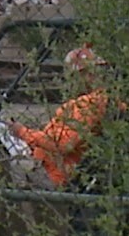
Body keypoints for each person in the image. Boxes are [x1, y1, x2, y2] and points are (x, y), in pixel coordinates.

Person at [10, 44, 111, 187]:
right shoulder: (86, 102)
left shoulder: (91, 103)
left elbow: (64, 145)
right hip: (45, 165)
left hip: (53, 174)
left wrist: (22, 132)